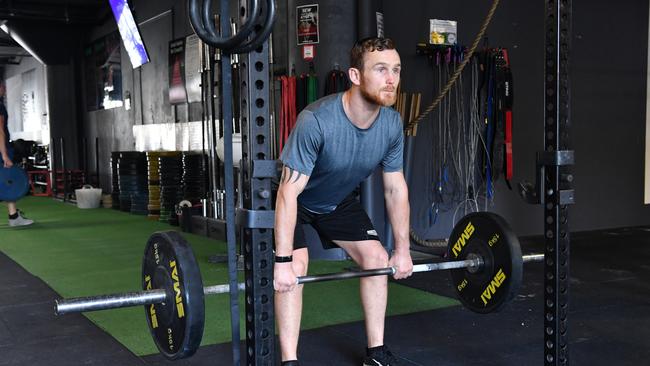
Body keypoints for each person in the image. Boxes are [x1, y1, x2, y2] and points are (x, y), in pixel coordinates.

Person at [274, 37, 412, 366]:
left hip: (335, 201)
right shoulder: (317, 121)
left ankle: (376, 354)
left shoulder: (392, 124)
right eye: (381, 70)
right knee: (296, 267)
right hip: (294, 201)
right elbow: (287, 193)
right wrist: (280, 262)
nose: (391, 79)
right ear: (355, 75)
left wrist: (403, 249)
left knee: (377, 257)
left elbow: (395, 189)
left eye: (395, 70)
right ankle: (289, 361)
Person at [0, 80, 34, 227]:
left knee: (7, 183)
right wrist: (4, 155)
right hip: (2, 149)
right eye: (2, 86)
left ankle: (14, 216)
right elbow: (0, 131)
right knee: (8, 180)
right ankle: (14, 217)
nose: (4, 89)